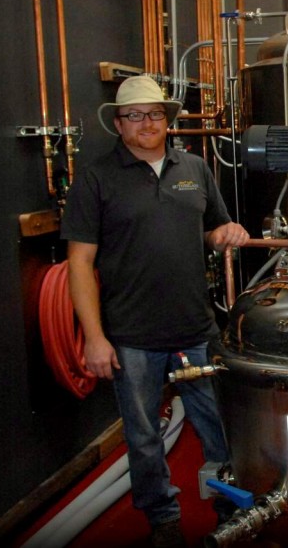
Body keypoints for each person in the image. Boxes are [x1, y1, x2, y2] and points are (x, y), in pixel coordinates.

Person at [62, 76, 250, 548]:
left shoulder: (195, 167)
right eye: (134, 115)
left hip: (196, 327)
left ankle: (230, 512)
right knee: (144, 438)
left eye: (154, 114)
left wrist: (227, 233)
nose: (146, 123)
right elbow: (79, 263)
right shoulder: (97, 178)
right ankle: (163, 521)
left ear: (167, 119)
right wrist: (95, 337)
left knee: (220, 428)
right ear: (118, 123)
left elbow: (214, 229)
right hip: (131, 335)